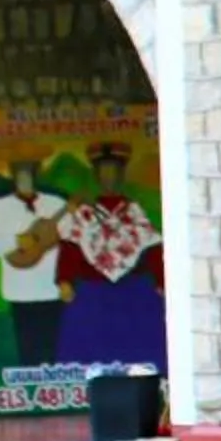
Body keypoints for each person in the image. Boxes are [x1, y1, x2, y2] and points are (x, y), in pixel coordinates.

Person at [54, 143, 166, 371]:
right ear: (96, 176)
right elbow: (70, 247)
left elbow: (153, 247)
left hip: (132, 291)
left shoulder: (134, 213)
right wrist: (64, 280)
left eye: (114, 171)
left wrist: (161, 281)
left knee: (139, 344)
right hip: (93, 293)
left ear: (121, 175)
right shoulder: (85, 214)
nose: (109, 177)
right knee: (89, 344)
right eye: (104, 172)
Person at [0, 155, 67, 368]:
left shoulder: (56, 204)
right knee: (28, 348)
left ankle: (54, 391)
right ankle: (32, 391)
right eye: (20, 171)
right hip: (20, 291)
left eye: (30, 170)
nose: (25, 177)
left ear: (38, 172)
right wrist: (15, 241)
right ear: (11, 174)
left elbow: (75, 242)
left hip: (54, 289)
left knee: (54, 347)